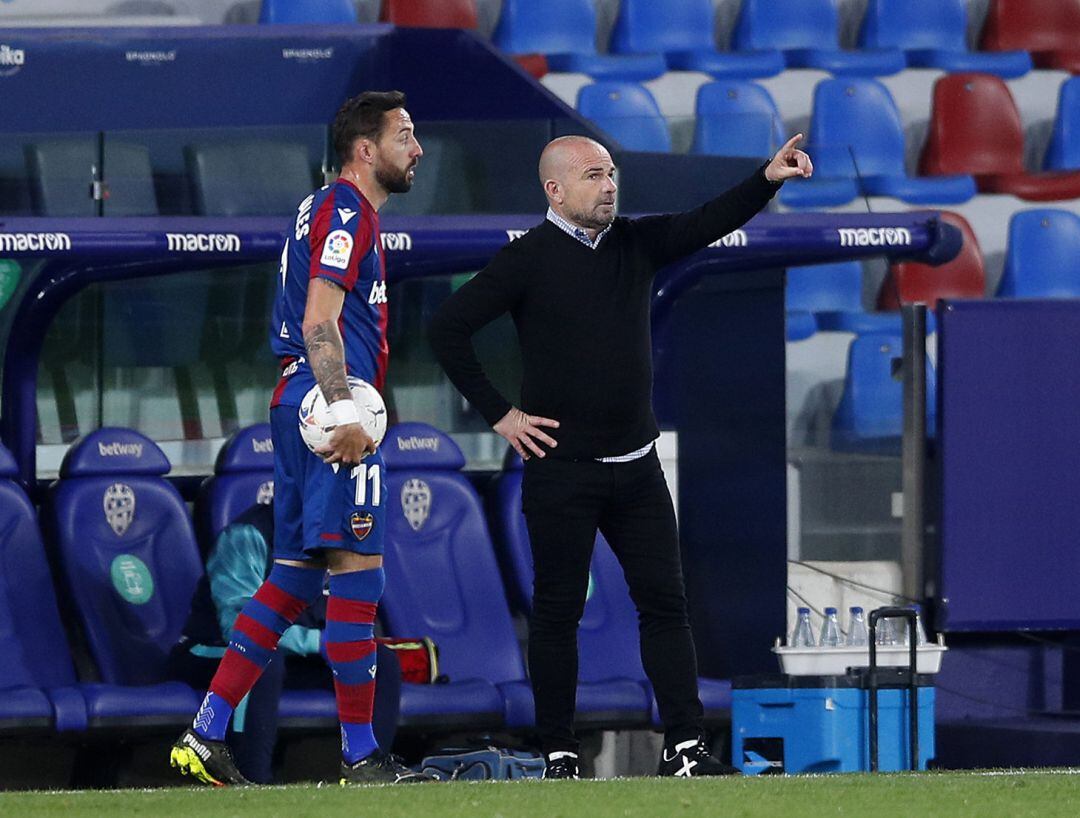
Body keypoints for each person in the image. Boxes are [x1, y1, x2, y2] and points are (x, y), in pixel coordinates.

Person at [428, 134, 812, 779]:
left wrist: (765, 179)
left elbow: (706, 221)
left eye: (612, 174)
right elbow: (447, 328)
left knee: (666, 605)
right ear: (554, 190)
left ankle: (685, 749)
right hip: (562, 474)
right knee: (557, 614)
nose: (608, 186)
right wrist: (500, 413)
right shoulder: (527, 259)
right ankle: (558, 754)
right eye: (592, 176)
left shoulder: (636, 241)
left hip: (636, 468)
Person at [170, 90, 431, 786]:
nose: (419, 148)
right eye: (405, 135)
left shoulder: (321, 209)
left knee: (289, 580)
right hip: (327, 408)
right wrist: (345, 409)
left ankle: (205, 733)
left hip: (295, 402)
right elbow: (321, 319)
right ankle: (359, 755)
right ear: (365, 149)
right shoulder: (347, 211)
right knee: (358, 578)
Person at [168, 501, 402, 785]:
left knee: (381, 661)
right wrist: (315, 641)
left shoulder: (337, 538)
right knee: (262, 661)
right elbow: (236, 624)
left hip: (289, 658)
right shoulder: (248, 533)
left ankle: (368, 769)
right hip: (211, 650)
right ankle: (250, 779)